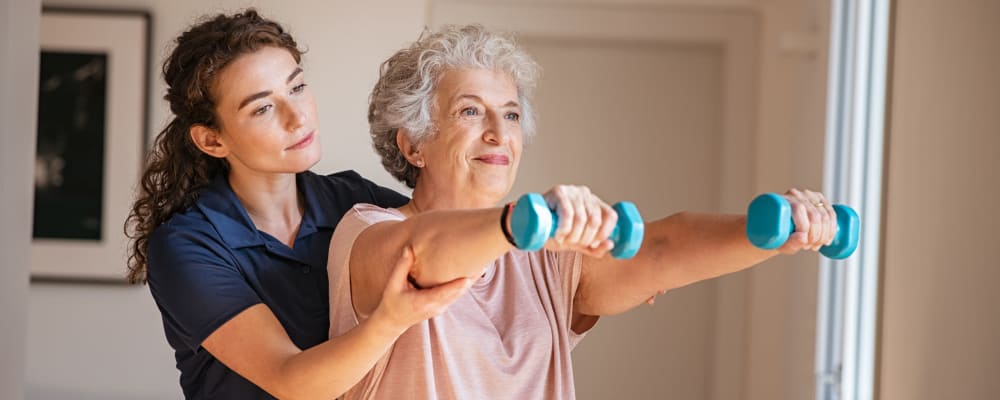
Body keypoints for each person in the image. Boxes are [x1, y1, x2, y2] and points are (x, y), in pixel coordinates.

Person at [327, 24, 841, 399]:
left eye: (509, 114)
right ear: (414, 145)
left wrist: (775, 233)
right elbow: (422, 256)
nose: (499, 133)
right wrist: (523, 222)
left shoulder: (545, 258)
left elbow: (660, 247)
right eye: (470, 111)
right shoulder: (369, 230)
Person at [125, 10, 470, 399]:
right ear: (212, 141)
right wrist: (391, 320)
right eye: (262, 108)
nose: (297, 117)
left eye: (297, 87)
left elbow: (441, 236)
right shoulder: (188, 245)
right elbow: (291, 380)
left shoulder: (354, 201)